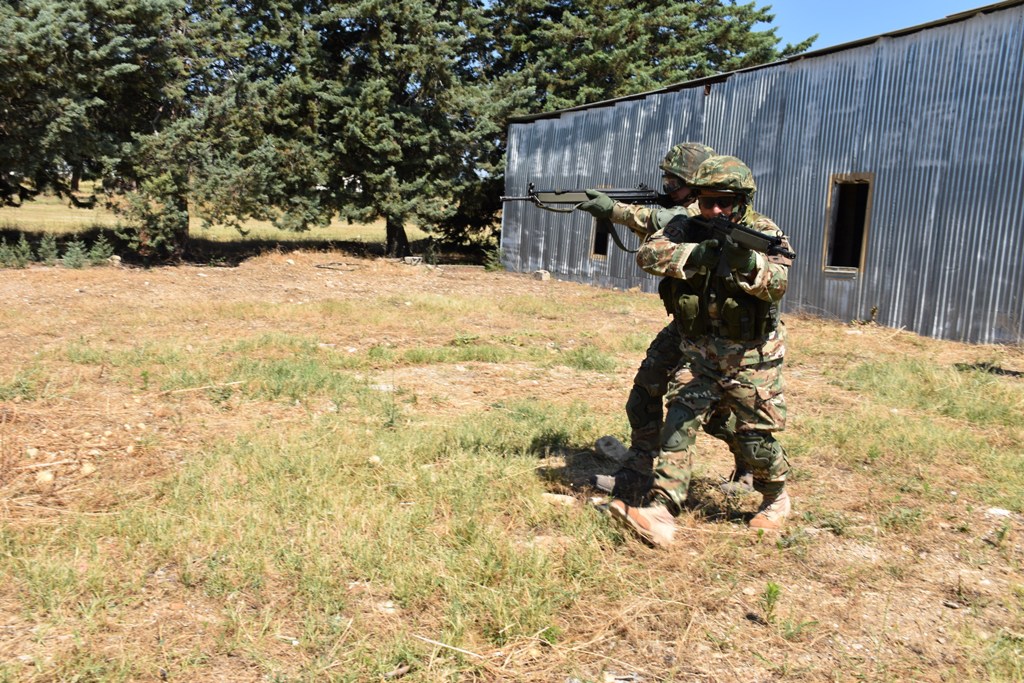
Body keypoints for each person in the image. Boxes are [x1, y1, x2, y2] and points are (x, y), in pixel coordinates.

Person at [607, 154, 794, 547]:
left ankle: (776, 497)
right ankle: (662, 510)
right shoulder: (686, 225)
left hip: (752, 359)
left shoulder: (764, 232)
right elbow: (648, 255)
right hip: (701, 352)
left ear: (742, 202)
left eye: (725, 202)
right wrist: (696, 254)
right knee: (679, 418)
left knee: (755, 441)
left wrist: (747, 264)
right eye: (708, 200)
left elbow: (777, 283)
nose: (715, 210)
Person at [576, 143, 752, 506]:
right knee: (645, 390)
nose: (667, 185)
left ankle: (751, 468)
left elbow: (658, 221)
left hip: (719, 333)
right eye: (666, 178)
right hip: (685, 325)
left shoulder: (712, 212)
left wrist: (615, 210)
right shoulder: (690, 212)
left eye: (674, 179)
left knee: (710, 414)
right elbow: (655, 245)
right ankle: (636, 474)